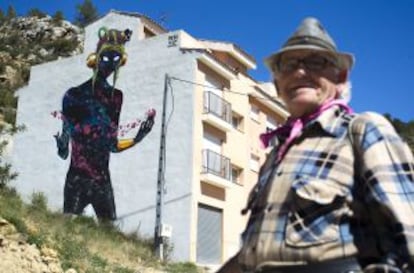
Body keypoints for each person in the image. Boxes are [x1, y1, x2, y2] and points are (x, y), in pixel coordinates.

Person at [216, 17, 414, 273]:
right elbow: (251, 255)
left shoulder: (362, 131)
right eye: (288, 64)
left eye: (315, 62)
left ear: (340, 77)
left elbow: (408, 237)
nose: (300, 72)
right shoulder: (275, 156)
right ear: (277, 83)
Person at [54, 27, 155, 222]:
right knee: (66, 228)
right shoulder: (73, 95)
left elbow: (112, 145)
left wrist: (138, 137)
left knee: (109, 236)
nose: (110, 64)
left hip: (102, 181)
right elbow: (64, 151)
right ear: (96, 59)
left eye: (116, 60)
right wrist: (61, 146)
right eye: (106, 58)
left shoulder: (116, 98)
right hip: (77, 178)